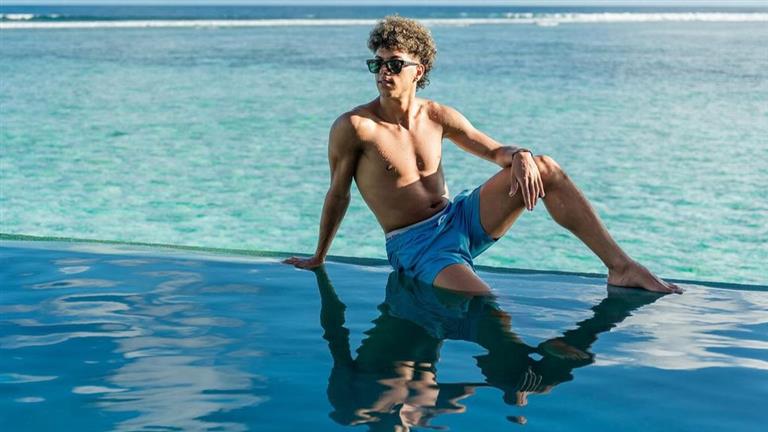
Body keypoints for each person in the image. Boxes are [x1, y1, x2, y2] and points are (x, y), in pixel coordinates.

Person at [284, 15, 682, 295]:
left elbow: (494, 150)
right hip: (416, 245)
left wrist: (521, 154)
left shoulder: (437, 115)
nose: (383, 72)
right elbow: (338, 193)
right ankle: (507, 374)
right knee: (484, 304)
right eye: (377, 63)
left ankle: (621, 267)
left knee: (545, 168)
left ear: (418, 70)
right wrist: (319, 257)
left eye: (394, 64)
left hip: (458, 218)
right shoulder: (356, 127)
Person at [313, 267, 663, 429]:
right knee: (538, 380)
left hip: (411, 304)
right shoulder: (423, 416)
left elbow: (335, 338)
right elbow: (468, 392)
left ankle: (530, 355)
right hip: (447, 321)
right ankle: (539, 356)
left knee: (493, 322)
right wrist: (506, 387)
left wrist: (325, 286)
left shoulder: (348, 407)